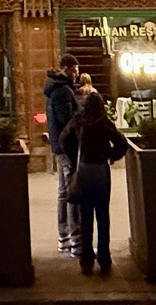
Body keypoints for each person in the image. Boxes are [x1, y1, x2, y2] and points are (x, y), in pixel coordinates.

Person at [61, 91, 128, 275]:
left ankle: (86, 259)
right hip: (100, 170)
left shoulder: (78, 120)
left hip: (83, 169)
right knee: (102, 215)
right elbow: (122, 143)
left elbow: (63, 139)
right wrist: (112, 156)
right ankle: (104, 258)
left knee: (85, 216)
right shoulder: (103, 122)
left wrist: (74, 158)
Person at [43, 55, 80, 255]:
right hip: (67, 148)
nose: (77, 74)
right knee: (72, 192)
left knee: (64, 193)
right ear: (66, 68)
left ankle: (64, 238)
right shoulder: (62, 91)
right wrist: (81, 115)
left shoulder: (56, 89)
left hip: (59, 146)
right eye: (75, 69)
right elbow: (68, 121)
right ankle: (76, 241)